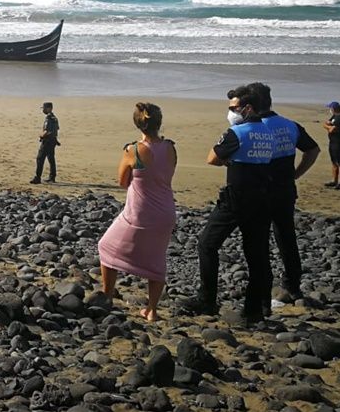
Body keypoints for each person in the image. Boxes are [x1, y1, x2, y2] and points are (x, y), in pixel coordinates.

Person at [179, 84, 275, 325]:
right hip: (262, 198)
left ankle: (207, 299)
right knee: (256, 256)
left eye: (234, 107)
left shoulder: (237, 133)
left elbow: (212, 158)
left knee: (207, 244)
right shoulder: (267, 132)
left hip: (236, 199)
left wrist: (230, 160)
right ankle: (254, 309)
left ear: (248, 108)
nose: (231, 112)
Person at [97, 103, 178, 322]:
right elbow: (167, 174)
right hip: (166, 211)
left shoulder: (133, 150)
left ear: (137, 124)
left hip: (140, 211)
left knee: (106, 246)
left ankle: (107, 295)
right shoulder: (170, 147)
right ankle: (152, 309)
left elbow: (123, 182)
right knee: (156, 259)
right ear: (159, 123)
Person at [252, 84, 318, 301]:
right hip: (285, 189)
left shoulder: (254, 128)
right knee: (286, 237)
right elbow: (313, 149)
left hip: (261, 190)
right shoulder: (290, 125)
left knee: (259, 240)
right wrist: (296, 174)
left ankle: (263, 287)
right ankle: (292, 284)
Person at [30, 101, 59, 184]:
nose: (43, 110)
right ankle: (52, 177)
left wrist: (41, 136)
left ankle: (37, 177)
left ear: (49, 108)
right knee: (51, 159)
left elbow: (47, 131)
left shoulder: (49, 118)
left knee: (40, 159)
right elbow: (56, 130)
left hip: (47, 141)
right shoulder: (54, 118)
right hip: (53, 141)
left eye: (44, 108)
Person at [323, 101, 340, 189]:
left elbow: (332, 130)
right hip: (332, 142)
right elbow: (325, 124)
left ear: (333, 109)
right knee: (334, 162)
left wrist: (329, 127)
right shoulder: (335, 116)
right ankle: (334, 181)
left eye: (330, 108)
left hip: (339, 143)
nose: (330, 110)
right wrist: (329, 126)